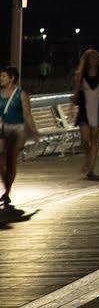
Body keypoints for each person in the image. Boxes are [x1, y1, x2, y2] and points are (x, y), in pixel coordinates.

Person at [1, 64, 40, 210]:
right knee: (1, 159)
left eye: (4, 76)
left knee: (11, 160)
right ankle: (7, 186)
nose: (1, 78)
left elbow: (27, 114)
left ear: (11, 79)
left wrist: (34, 131)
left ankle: (7, 191)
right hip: (3, 128)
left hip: (18, 130)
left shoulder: (21, 94)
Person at [73, 49, 99, 179]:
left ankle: (91, 168)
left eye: (95, 58)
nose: (93, 61)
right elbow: (76, 92)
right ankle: (88, 157)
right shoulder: (80, 74)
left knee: (95, 140)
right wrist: (73, 104)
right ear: (86, 60)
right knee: (85, 139)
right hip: (84, 108)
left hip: (97, 108)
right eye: (90, 58)